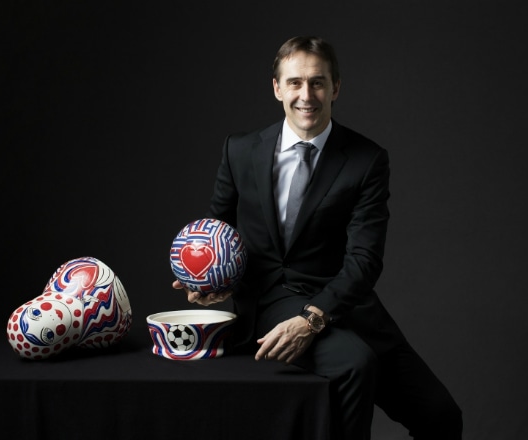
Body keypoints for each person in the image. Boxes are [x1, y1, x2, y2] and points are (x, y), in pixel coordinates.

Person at [172, 35, 462, 440]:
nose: (306, 95)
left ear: (335, 88)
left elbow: (364, 259)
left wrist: (313, 318)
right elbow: (215, 229)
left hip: (345, 303)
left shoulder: (366, 159)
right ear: (277, 88)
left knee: (442, 417)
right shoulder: (240, 150)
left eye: (317, 83)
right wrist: (207, 280)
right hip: (272, 300)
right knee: (355, 364)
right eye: (295, 82)